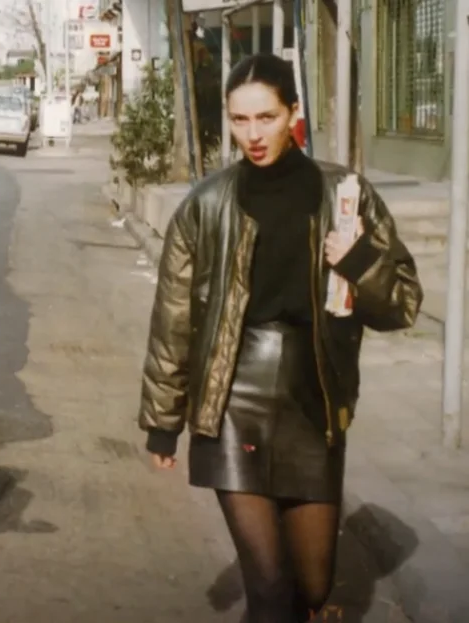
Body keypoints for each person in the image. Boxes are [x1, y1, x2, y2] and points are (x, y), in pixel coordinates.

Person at [138, 53, 421, 622]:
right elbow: (172, 320)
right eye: (239, 121)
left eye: (265, 117)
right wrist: (163, 422)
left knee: (313, 587)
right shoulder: (205, 204)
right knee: (267, 588)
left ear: (294, 112)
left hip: (312, 397)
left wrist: (360, 259)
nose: (252, 134)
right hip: (232, 397)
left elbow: (403, 304)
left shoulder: (345, 195)